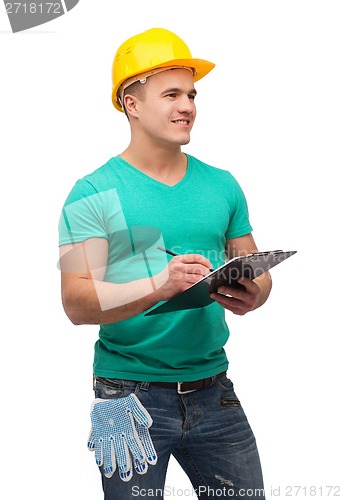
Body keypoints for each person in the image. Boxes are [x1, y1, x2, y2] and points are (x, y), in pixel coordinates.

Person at [58, 27, 272, 499]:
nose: (188, 106)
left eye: (192, 94)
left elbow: (256, 269)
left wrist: (254, 291)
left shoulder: (222, 186)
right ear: (131, 104)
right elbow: (75, 303)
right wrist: (160, 285)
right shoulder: (93, 193)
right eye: (171, 93)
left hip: (215, 390)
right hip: (127, 396)